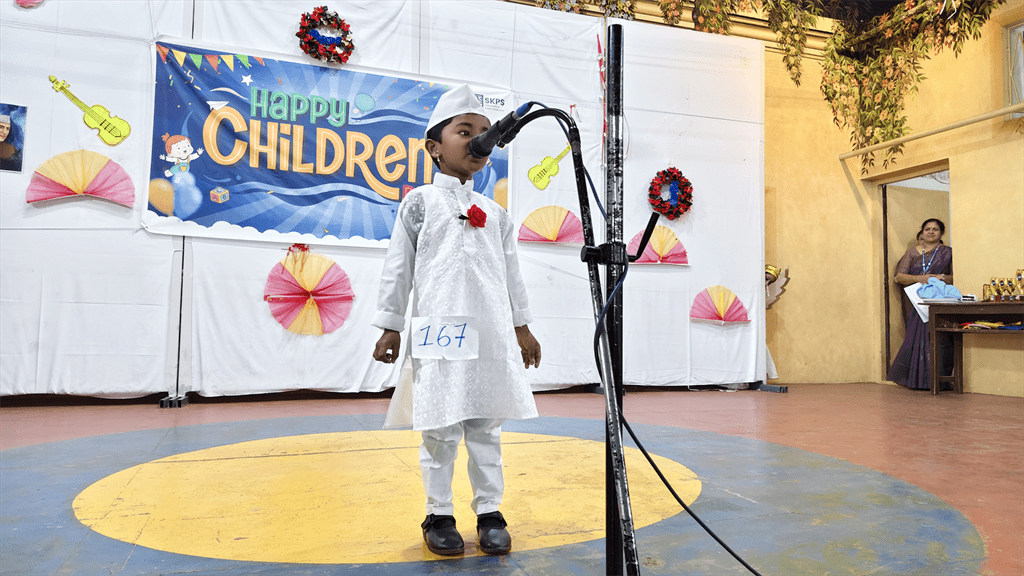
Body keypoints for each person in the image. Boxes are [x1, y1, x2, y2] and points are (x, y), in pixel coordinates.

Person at [371, 85, 541, 557]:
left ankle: (490, 512)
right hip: (439, 330)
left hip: (489, 332)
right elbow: (399, 267)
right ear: (434, 147)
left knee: (486, 426)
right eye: (464, 132)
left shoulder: (496, 214)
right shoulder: (420, 202)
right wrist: (391, 324)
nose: (478, 141)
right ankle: (439, 513)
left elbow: (511, 275)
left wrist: (521, 327)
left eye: (485, 133)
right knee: (440, 426)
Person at [887, 218, 954, 389]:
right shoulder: (912, 252)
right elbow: (899, 277)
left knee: (938, 338)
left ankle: (938, 380)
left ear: (941, 233)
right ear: (922, 232)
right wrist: (920, 278)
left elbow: (956, 277)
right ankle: (914, 380)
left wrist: (940, 278)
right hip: (915, 302)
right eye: (927, 229)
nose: (931, 232)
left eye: (935, 229)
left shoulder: (948, 252)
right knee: (915, 337)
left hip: (938, 300)